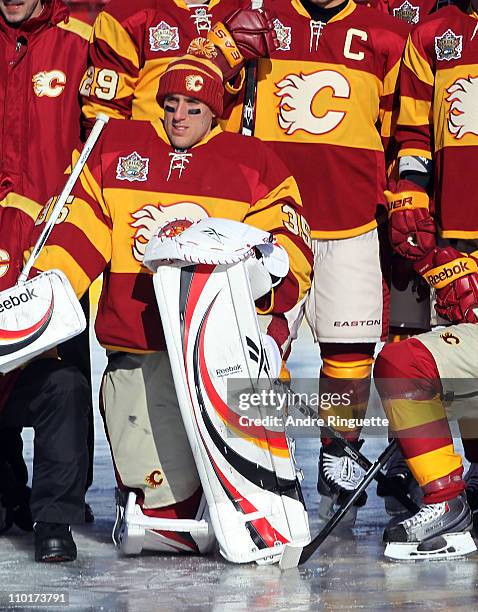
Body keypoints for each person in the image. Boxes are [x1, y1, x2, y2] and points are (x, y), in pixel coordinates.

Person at [27, 50, 313, 549]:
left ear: (216, 113)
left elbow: (289, 243)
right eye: (171, 103)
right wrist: (47, 293)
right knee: (169, 525)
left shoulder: (253, 161)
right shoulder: (115, 150)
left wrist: (265, 286)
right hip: (141, 349)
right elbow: (78, 232)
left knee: (232, 494)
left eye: (193, 108)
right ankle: (156, 494)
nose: (179, 116)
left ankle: (250, 494)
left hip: (218, 355)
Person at [245, 0, 408, 523]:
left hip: (353, 221)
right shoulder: (263, 17)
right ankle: (264, 465)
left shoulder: (385, 33)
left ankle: (337, 457)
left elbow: (397, 129)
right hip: (273, 223)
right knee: (260, 353)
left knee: (348, 357)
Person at [381, 0, 478, 531]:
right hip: (459, 235)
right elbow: (414, 134)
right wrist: (412, 194)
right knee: (456, 369)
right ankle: (460, 484)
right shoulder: (436, 35)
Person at [0, 0, 95, 524]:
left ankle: (67, 497)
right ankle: (8, 491)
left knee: (66, 371)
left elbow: (101, 134)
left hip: (55, 241)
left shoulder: (79, 36)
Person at [0, 173, 90, 562]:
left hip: (19, 366)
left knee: (65, 385)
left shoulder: (29, 217)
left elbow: (55, 291)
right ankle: (10, 495)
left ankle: (54, 522)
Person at [80, 0, 249, 132]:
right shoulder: (125, 13)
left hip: (222, 159)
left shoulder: (249, 10)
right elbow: (102, 117)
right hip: (148, 161)